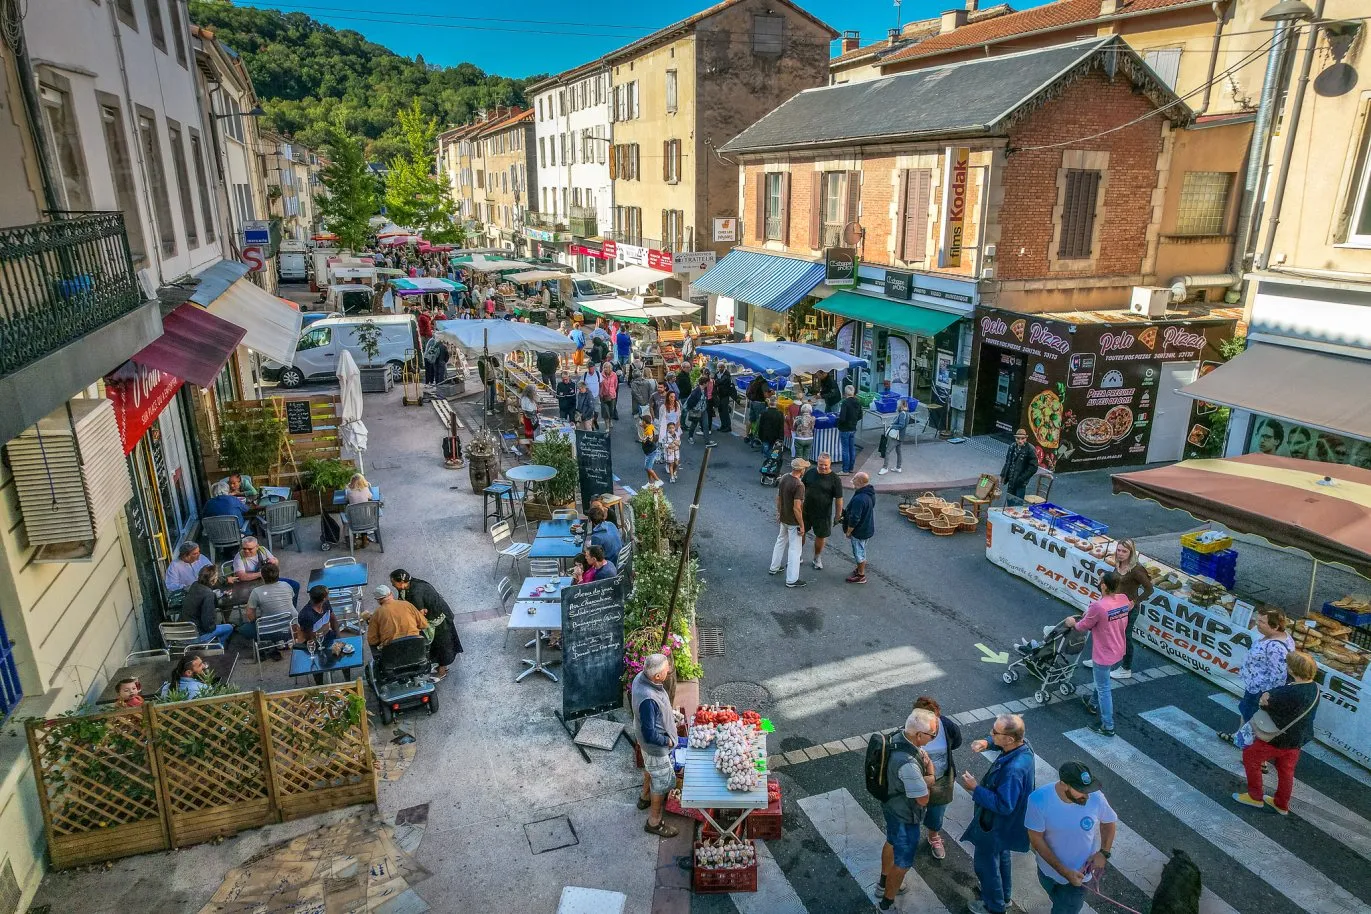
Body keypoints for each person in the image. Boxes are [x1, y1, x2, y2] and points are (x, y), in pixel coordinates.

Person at [961, 714, 1036, 914]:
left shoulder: (1013, 770)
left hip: (995, 824)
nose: (991, 734)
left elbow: (1004, 804)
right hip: (1008, 825)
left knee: (985, 866)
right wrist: (987, 743)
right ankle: (1004, 896)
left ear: (1010, 739)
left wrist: (975, 788)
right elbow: (1001, 743)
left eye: (995, 732)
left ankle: (993, 906)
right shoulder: (1023, 746)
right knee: (1002, 856)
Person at [1233, 650, 1320, 814]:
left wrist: (1266, 698)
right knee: (1286, 771)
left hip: (1278, 738)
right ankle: (1281, 804)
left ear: (1292, 671)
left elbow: (1266, 703)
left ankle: (1255, 796)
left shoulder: (1288, 692)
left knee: (1250, 757)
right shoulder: (1314, 688)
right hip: (1297, 740)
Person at [1026, 762, 1117, 914]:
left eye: (1088, 789)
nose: (1087, 795)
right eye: (1081, 790)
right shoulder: (1039, 800)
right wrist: (1065, 872)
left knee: (1066, 909)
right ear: (1063, 784)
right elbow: (1036, 840)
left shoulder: (1096, 797)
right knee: (1056, 899)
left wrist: (1104, 852)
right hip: (1047, 871)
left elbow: (1109, 822)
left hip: (1080, 877)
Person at [876, 710, 937, 910]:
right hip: (905, 815)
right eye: (932, 735)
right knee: (903, 863)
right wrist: (930, 774)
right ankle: (887, 901)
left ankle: (882, 882)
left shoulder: (898, 736)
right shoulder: (908, 764)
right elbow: (922, 798)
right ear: (919, 735)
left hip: (891, 805)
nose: (933, 739)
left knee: (891, 841)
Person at [1063, 570, 1131, 736]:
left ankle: (1108, 726)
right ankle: (1092, 703)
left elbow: (1081, 626)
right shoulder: (1123, 599)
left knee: (1104, 688)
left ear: (1104, 585)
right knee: (1102, 681)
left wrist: (1072, 622)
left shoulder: (1098, 606)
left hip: (1103, 653)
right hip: (1119, 648)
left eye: (1100, 581)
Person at [1220, 609, 1295, 743]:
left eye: (1262, 621)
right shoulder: (1276, 636)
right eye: (1257, 619)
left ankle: (1250, 749)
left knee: (1253, 719)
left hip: (1260, 691)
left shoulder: (1276, 647)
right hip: (1255, 686)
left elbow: (1278, 676)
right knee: (1246, 713)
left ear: (1275, 626)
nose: (1257, 623)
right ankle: (1239, 738)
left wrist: (1267, 696)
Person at [632, 653, 680, 837]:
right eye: (666, 670)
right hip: (655, 747)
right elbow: (650, 734)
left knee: (650, 769)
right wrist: (667, 741)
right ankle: (654, 822)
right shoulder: (649, 698)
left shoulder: (640, 678)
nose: (669, 671)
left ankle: (644, 797)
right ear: (657, 677)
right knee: (661, 783)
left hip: (644, 744)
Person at [913, 696, 962, 860]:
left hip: (942, 779)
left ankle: (933, 836)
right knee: (911, 812)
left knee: (937, 812)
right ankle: (909, 839)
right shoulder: (910, 730)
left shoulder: (947, 725)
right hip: (917, 780)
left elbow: (956, 742)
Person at [391, 569, 463, 680]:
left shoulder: (416, 593)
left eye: (393, 583)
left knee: (442, 646)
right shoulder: (408, 585)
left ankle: (442, 672)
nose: (392, 585)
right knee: (436, 646)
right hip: (432, 618)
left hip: (440, 622)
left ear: (401, 582)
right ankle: (439, 667)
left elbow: (421, 615)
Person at [1105, 538, 1154, 679]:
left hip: (1129, 611)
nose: (1120, 554)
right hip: (1115, 607)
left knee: (1125, 638)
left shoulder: (1136, 570)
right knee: (1108, 633)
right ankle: (1104, 661)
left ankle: (1126, 668)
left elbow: (1149, 589)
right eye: (1119, 550)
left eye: (1124, 551)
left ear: (1131, 553)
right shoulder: (1118, 563)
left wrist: (1134, 601)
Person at [240, 563, 296, 656]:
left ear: (262, 576)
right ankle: (285, 639)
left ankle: (274, 640)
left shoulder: (256, 592)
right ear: (278, 574)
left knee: (243, 629)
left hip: (268, 629)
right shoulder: (287, 585)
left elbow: (249, 614)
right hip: (291, 625)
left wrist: (255, 622)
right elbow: (290, 601)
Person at [769, 458, 808, 588]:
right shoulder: (799, 485)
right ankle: (792, 579)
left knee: (780, 541)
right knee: (795, 550)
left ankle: (774, 567)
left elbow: (778, 497)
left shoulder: (785, 477)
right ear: (801, 469)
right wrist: (802, 525)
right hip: (793, 522)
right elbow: (797, 507)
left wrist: (779, 512)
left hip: (784, 518)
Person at [802, 453, 844, 571]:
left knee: (820, 536)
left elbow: (839, 499)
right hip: (806, 511)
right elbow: (801, 488)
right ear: (817, 462)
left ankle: (817, 557)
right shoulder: (810, 473)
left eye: (825, 465)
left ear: (829, 464)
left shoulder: (835, 479)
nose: (823, 467)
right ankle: (798, 555)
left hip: (823, 514)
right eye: (821, 464)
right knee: (801, 532)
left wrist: (838, 515)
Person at [367, 584, 429, 650]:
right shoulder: (407, 604)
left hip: (393, 652)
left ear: (378, 600)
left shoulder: (376, 614)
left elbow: (372, 641)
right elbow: (424, 624)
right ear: (391, 594)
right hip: (415, 647)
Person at [185, 565, 234, 646]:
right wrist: (213, 627)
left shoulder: (194, 585)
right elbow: (208, 623)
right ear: (213, 580)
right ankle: (217, 649)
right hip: (196, 636)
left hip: (181, 634)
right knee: (229, 628)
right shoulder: (208, 594)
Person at [842, 471, 876, 584]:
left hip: (859, 531)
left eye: (855, 479)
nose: (853, 481)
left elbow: (855, 518)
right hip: (867, 528)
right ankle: (859, 569)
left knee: (859, 553)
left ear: (861, 482)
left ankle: (861, 575)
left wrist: (848, 531)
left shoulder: (859, 498)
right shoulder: (870, 493)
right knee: (862, 549)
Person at [1001, 428, 1039, 505]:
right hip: (1011, 480)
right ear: (1015, 438)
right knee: (1010, 503)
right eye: (1018, 438)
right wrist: (1003, 475)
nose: (1020, 441)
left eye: (1022, 438)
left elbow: (1033, 467)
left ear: (1026, 438)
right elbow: (1008, 461)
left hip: (1020, 482)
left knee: (1018, 504)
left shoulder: (1030, 449)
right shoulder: (1012, 447)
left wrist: (1022, 478)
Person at [880, 399, 910, 475]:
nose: (897, 405)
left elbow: (901, 425)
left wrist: (892, 426)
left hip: (896, 436)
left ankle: (885, 468)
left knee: (887, 451)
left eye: (898, 404)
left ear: (901, 405)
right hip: (901, 436)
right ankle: (898, 467)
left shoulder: (902, 414)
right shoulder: (907, 413)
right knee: (898, 452)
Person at [837, 386, 862, 475]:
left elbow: (842, 418)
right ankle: (851, 468)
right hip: (853, 428)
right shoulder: (858, 402)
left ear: (845, 393)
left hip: (845, 428)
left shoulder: (845, 403)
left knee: (845, 450)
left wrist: (838, 422)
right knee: (852, 448)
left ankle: (845, 470)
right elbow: (860, 415)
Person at [638, 411, 662, 486]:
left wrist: (644, 440)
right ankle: (650, 483)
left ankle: (658, 480)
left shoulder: (648, 431)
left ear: (645, 422)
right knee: (647, 468)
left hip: (651, 452)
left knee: (648, 468)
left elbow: (650, 438)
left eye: (642, 421)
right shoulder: (649, 426)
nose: (641, 422)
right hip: (648, 452)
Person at [745, 375, 770, 446]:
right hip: (760, 404)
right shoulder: (764, 383)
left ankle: (746, 436)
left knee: (750, 419)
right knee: (759, 421)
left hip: (752, 403)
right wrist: (771, 393)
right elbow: (766, 395)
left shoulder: (753, 382)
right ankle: (757, 438)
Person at [684, 376, 710, 443]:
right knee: (694, 424)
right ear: (704, 383)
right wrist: (692, 409)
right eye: (707, 382)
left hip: (703, 410)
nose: (708, 384)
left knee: (706, 425)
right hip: (696, 411)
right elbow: (690, 402)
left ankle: (707, 441)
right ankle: (690, 437)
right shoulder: (696, 391)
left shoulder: (705, 389)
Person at [712, 365, 736, 434]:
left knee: (725, 411)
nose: (720, 368)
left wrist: (716, 381)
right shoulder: (717, 373)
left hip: (725, 395)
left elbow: (720, 381)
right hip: (719, 395)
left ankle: (728, 426)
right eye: (719, 367)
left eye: (721, 367)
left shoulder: (727, 375)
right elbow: (716, 381)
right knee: (720, 411)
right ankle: (723, 425)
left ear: (724, 368)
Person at [599, 361, 619, 428]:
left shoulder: (614, 375)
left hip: (612, 396)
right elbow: (599, 385)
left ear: (610, 368)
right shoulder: (601, 375)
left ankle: (610, 421)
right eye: (604, 367)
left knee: (611, 411)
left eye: (607, 367)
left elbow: (615, 385)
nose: (605, 369)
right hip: (603, 396)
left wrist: (612, 391)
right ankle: (607, 426)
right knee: (605, 412)